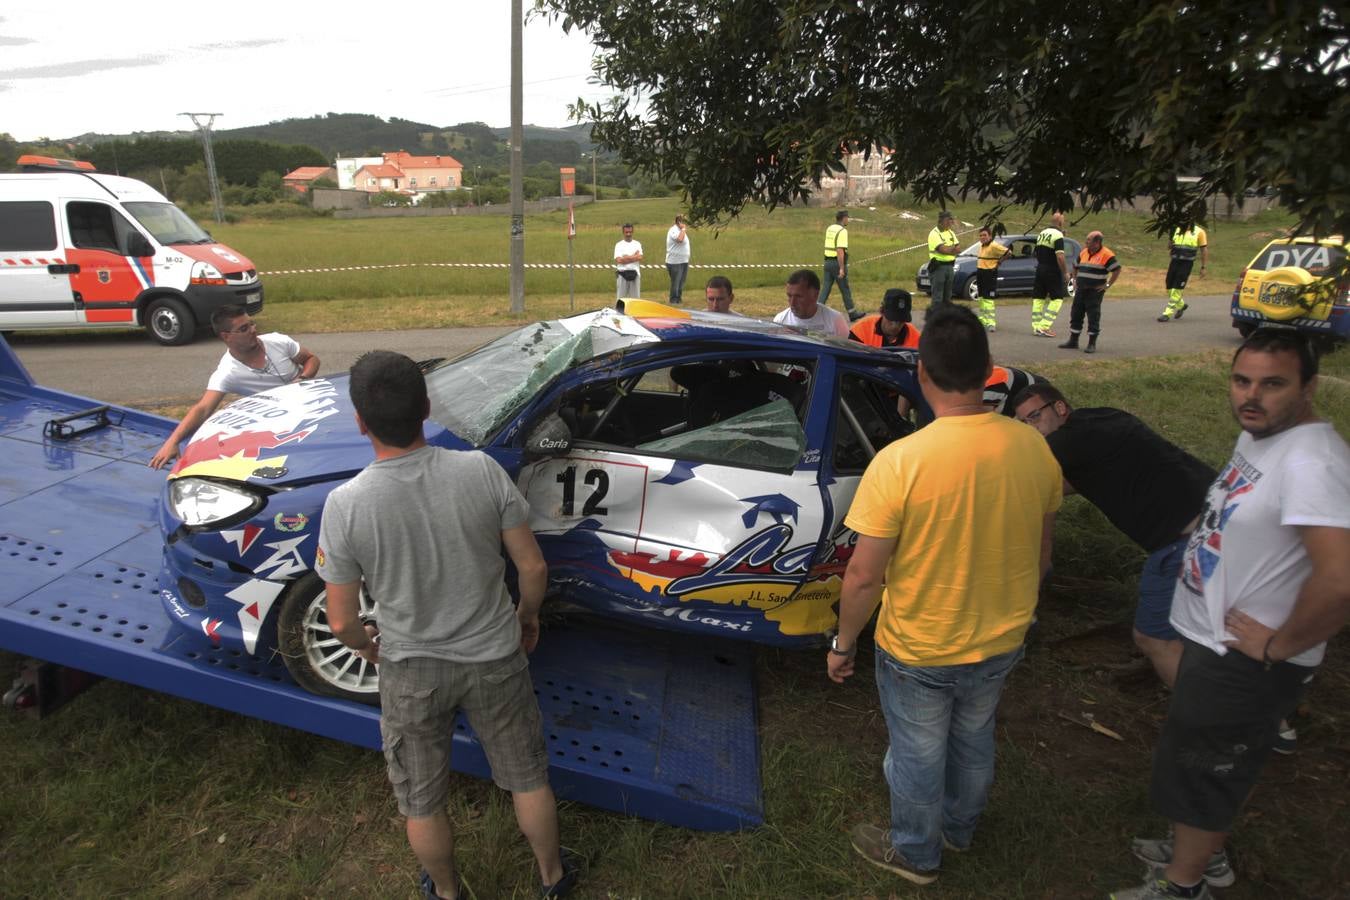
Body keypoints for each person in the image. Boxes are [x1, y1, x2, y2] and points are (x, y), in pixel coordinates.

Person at [316, 351, 582, 900]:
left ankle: (445, 891)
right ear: (427, 408)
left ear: (360, 420)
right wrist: (526, 616)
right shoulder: (480, 469)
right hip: (495, 654)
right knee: (527, 776)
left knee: (422, 798)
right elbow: (532, 567)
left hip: (412, 667)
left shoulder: (345, 505)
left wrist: (368, 647)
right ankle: (552, 880)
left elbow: (341, 620)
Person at [1111, 330, 1350, 900]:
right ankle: (1199, 853)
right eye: (1242, 380)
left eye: (1273, 384)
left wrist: (1279, 646)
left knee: (1208, 768)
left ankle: (1185, 884)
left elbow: (1339, 579)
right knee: (1191, 759)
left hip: (1244, 660)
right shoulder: (1262, 436)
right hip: (1210, 638)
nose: (1252, 395)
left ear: (1308, 387)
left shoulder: (1313, 462)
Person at [829, 304, 1062, 886]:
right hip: (1002, 638)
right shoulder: (1034, 448)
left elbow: (863, 577)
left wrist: (843, 642)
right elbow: (1043, 553)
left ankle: (915, 852)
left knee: (918, 753)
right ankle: (958, 830)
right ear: (988, 370)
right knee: (975, 739)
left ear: (922, 375)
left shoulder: (900, 462)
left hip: (921, 647)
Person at [1012, 382, 1216, 687]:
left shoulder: (1063, 443)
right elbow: (1077, 481)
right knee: (1216, 627)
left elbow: (1016, 479)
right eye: (1023, 422)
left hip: (1189, 541)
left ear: (1059, 408)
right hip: (1222, 509)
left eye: (1034, 417)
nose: (1031, 428)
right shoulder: (1102, 418)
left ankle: (1213, 722)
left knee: (1152, 637)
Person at [148, 304, 319, 469]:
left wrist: (302, 379)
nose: (253, 330)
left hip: (314, 405)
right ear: (226, 336)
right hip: (283, 424)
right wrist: (172, 442)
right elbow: (203, 409)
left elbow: (312, 359)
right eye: (244, 329)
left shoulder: (278, 341)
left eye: (252, 324)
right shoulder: (227, 372)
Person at [1059, 230, 1122, 353]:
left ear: (1097, 242)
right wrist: (1075, 280)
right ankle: (1073, 340)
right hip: (1081, 289)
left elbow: (1117, 269)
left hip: (1095, 291)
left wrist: (1107, 284)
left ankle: (1091, 343)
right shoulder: (1084, 252)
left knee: (1093, 316)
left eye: (1088, 240)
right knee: (1076, 313)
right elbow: (1076, 266)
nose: (1086, 242)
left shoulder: (1107, 254)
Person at [773, 268, 850, 337]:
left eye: (799, 297)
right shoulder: (780, 321)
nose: (792, 303)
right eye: (789, 296)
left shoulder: (835, 320)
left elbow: (848, 350)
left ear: (815, 295)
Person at [1030, 211, 1070, 338]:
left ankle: (1036, 326)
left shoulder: (1042, 233)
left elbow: (1036, 253)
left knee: (1038, 297)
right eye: (1063, 220)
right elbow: (1060, 256)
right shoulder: (1058, 235)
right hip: (1052, 269)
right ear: (1060, 222)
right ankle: (1045, 326)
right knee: (1057, 298)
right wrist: (1065, 272)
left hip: (1040, 267)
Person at [1157, 224, 1209, 322]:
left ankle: (1167, 313)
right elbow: (1169, 246)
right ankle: (1181, 305)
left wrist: (1203, 267)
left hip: (1186, 264)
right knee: (1169, 286)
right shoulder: (1176, 229)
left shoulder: (1199, 232)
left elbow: (1204, 250)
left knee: (1177, 288)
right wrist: (1170, 242)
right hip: (1174, 261)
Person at [821, 210, 860, 320]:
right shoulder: (842, 231)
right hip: (836, 263)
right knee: (845, 289)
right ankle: (852, 313)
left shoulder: (830, 228)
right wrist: (842, 268)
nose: (848, 219)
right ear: (843, 218)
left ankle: (817, 311)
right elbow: (840, 250)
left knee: (826, 288)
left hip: (827, 262)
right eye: (847, 217)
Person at [849, 288, 920, 349]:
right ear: (881, 311)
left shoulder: (916, 338)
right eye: (891, 319)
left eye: (901, 321)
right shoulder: (861, 331)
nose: (895, 326)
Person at [974, 226, 1010, 331]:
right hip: (980, 272)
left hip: (989, 274)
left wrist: (999, 262)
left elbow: (1009, 253)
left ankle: (991, 323)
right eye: (980, 235)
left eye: (984, 235)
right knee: (981, 298)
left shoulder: (994, 245)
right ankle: (984, 319)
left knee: (988, 299)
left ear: (990, 236)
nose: (982, 237)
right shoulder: (981, 246)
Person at [926, 211, 961, 308]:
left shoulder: (950, 232)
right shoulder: (934, 234)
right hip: (938, 267)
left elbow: (958, 249)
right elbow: (942, 250)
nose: (951, 222)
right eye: (948, 220)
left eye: (951, 220)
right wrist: (952, 248)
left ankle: (946, 318)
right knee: (938, 296)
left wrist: (950, 249)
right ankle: (936, 318)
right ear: (941, 221)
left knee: (948, 297)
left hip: (949, 267)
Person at [665, 214, 691, 304]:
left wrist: (683, 230)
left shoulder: (680, 230)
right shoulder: (674, 230)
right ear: (679, 222)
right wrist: (683, 229)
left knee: (681, 282)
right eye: (684, 222)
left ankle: (679, 299)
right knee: (676, 282)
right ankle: (673, 300)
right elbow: (680, 239)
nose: (685, 224)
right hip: (675, 261)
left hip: (683, 260)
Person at [613, 223, 643, 299]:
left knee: (636, 300)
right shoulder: (619, 245)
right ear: (623, 232)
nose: (628, 234)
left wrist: (626, 257)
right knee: (621, 299)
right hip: (622, 274)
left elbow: (640, 257)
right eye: (626, 232)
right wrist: (634, 256)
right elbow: (619, 260)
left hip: (635, 273)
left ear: (632, 232)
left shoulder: (637, 244)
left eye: (630, 232)